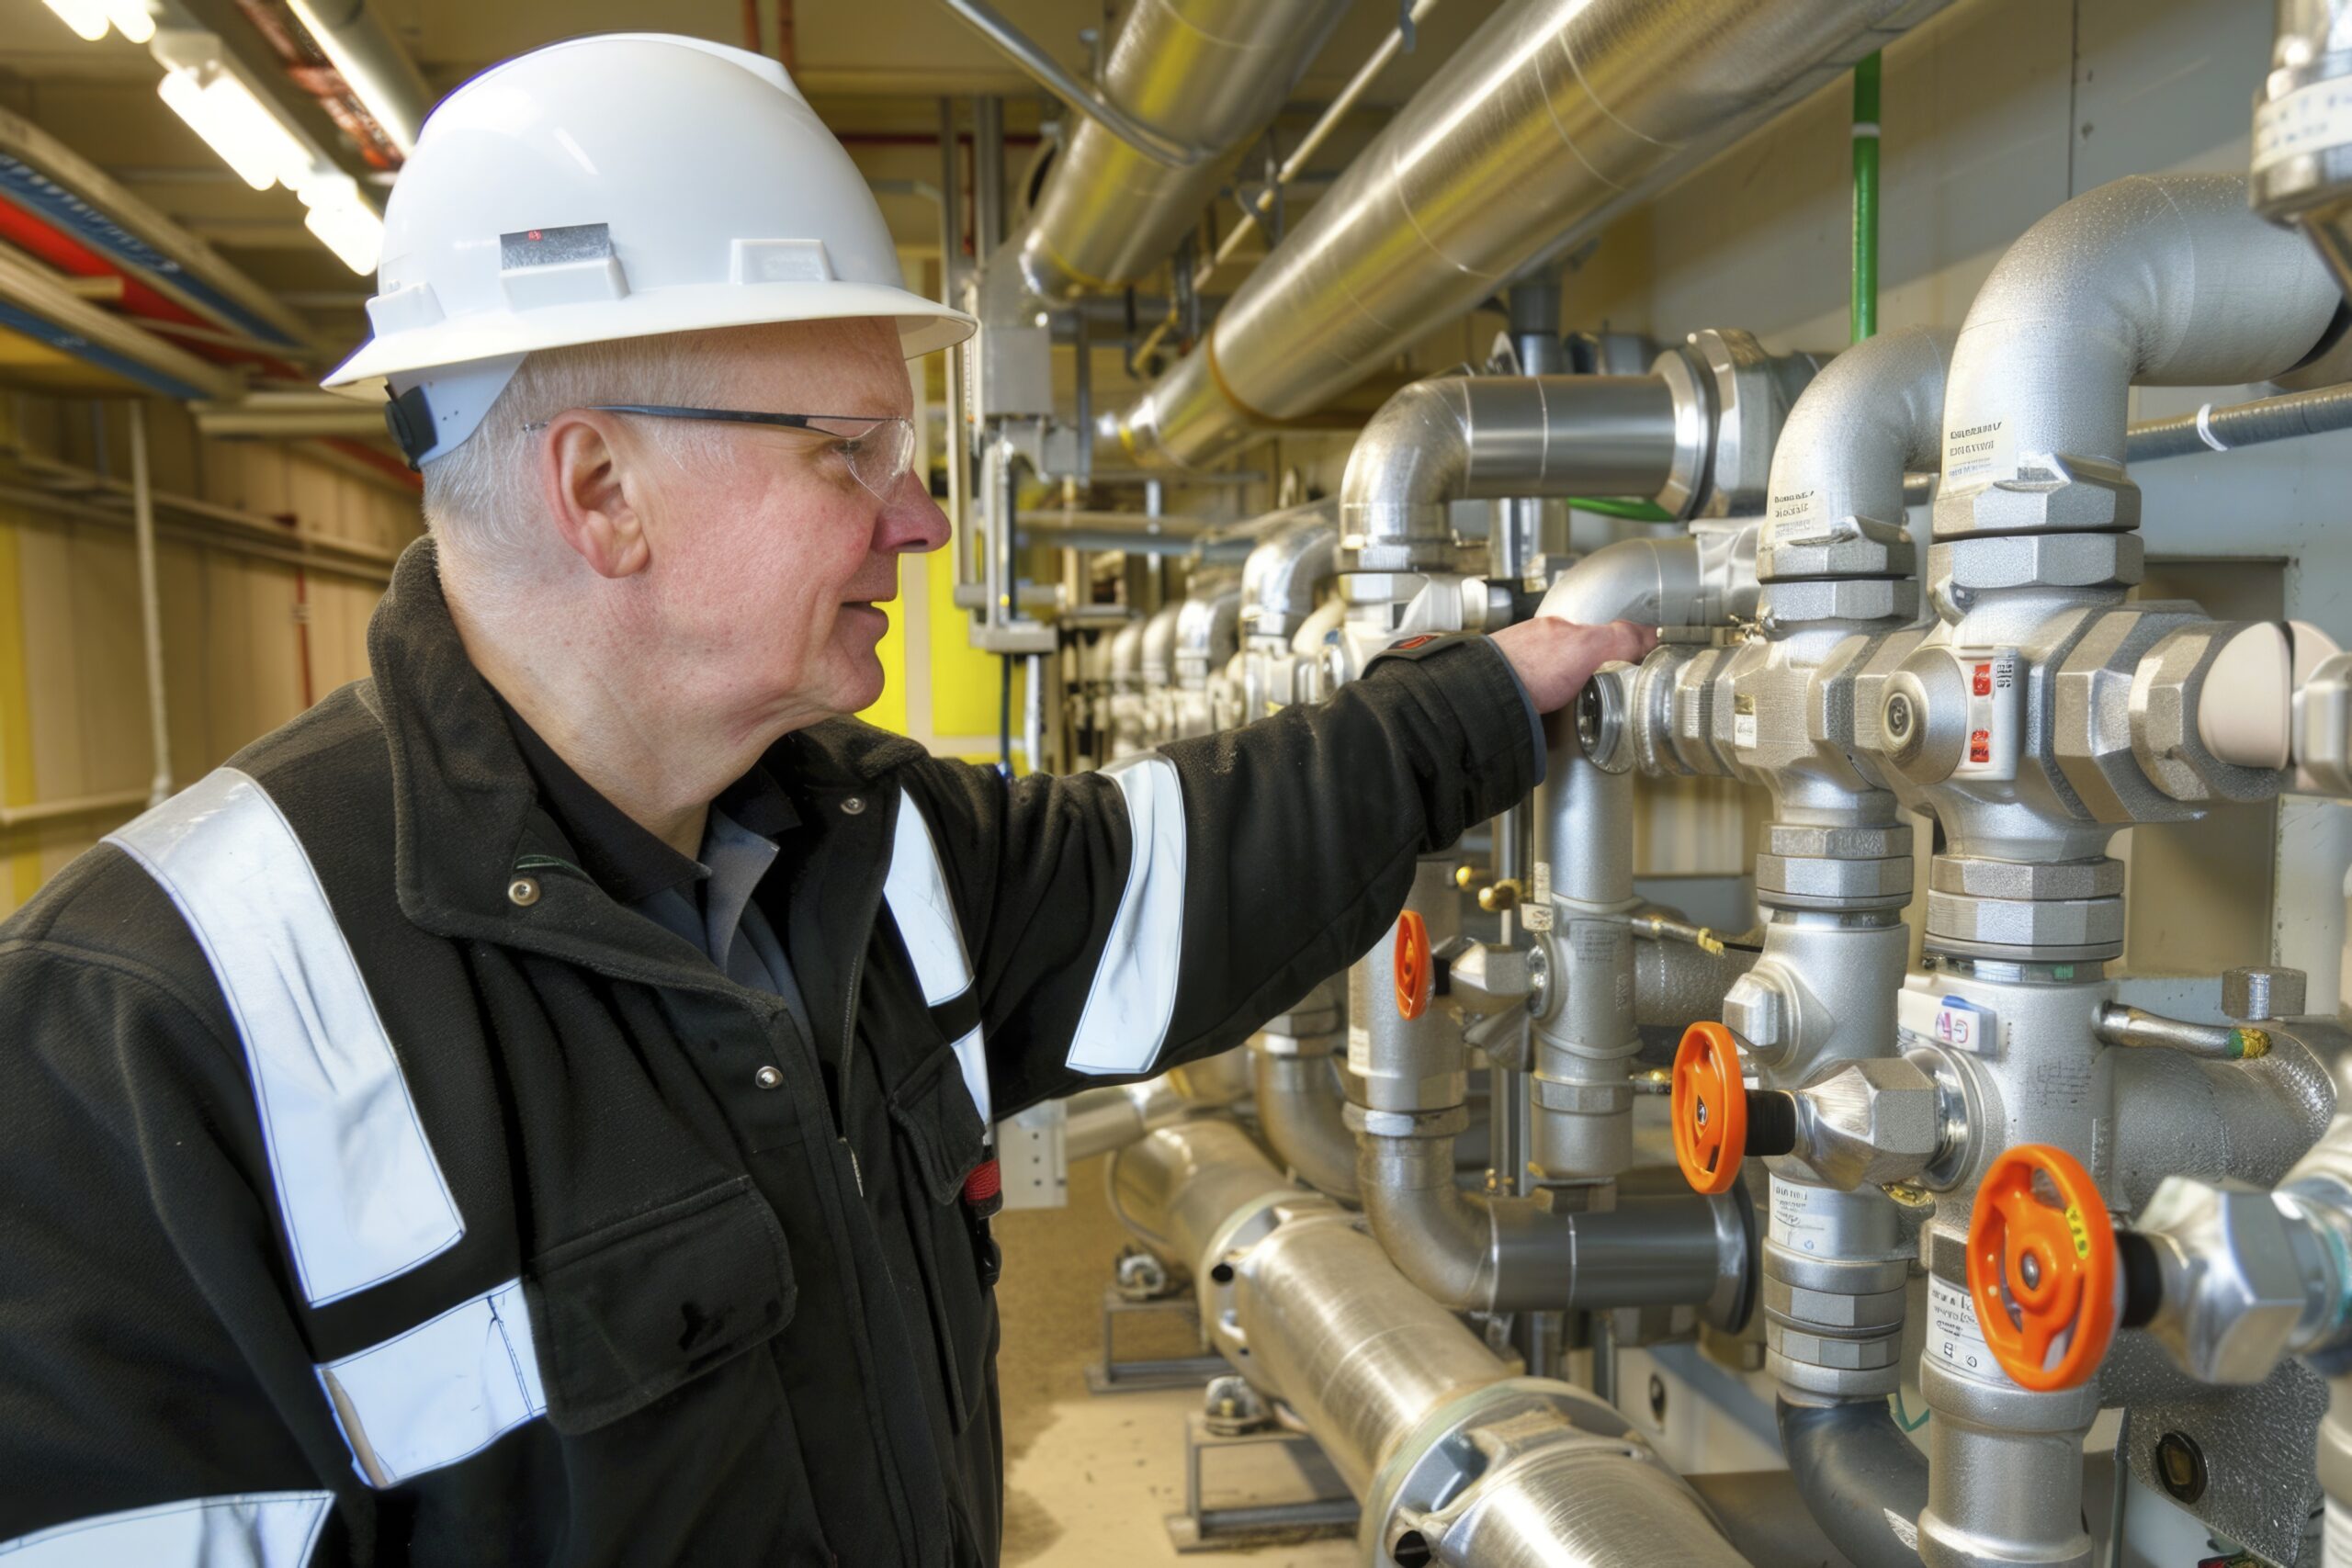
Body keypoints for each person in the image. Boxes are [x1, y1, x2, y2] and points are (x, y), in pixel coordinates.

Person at [0, 33, 1656, 1568]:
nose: (921, 520)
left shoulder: (849, 847)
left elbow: (1177, 869)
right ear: (603, 490)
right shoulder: (147, 1039)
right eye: (848, 452)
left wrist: (1483, 702)